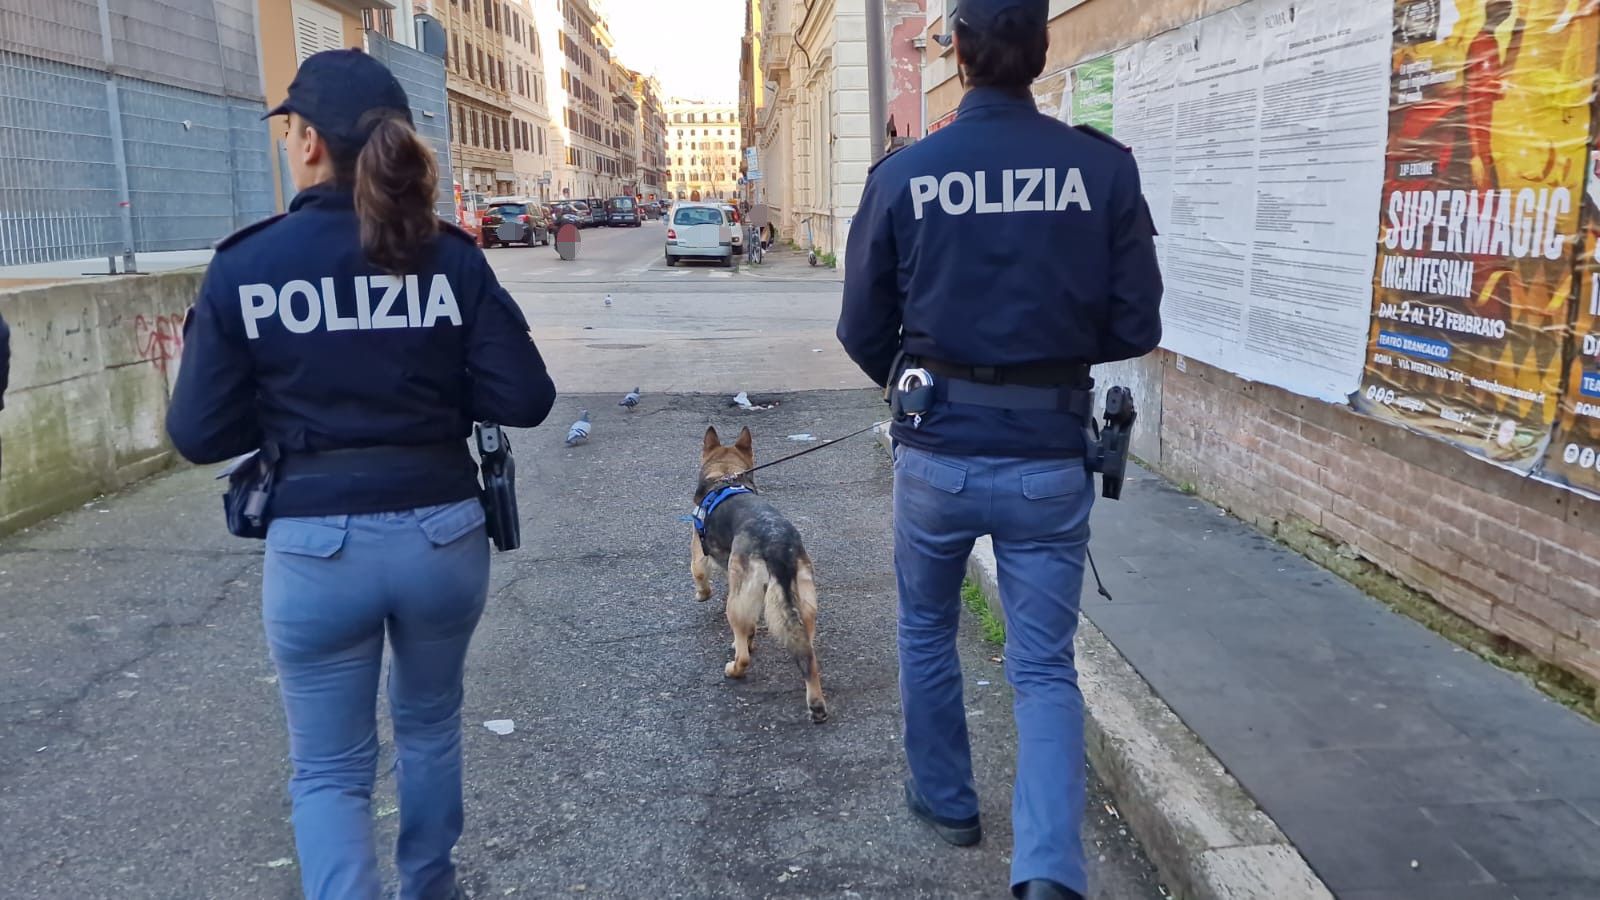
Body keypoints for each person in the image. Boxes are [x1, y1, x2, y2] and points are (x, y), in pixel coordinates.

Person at [166, 50, 556, 900]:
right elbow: (525, 397)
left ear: (308, 142)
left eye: (290, 130)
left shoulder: (247, 264)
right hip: (442, 536)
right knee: (429, 729)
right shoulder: (449, 257)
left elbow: (197, 433)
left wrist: (283, 414)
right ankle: (430, 888)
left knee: (331, 769)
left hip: (315, 547)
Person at [836, 2, 1163, 898]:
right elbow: (1137, 322)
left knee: (923, 628)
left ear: (962, 52)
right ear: (1041, 49)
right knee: (1044, 666)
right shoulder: (1100, 168)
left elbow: (860, 326)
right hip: (1050, 458)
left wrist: (920, 380)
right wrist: (1047, 348)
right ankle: (1050, 873)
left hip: (937, 453)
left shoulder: (909, 172)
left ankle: (946, 804)